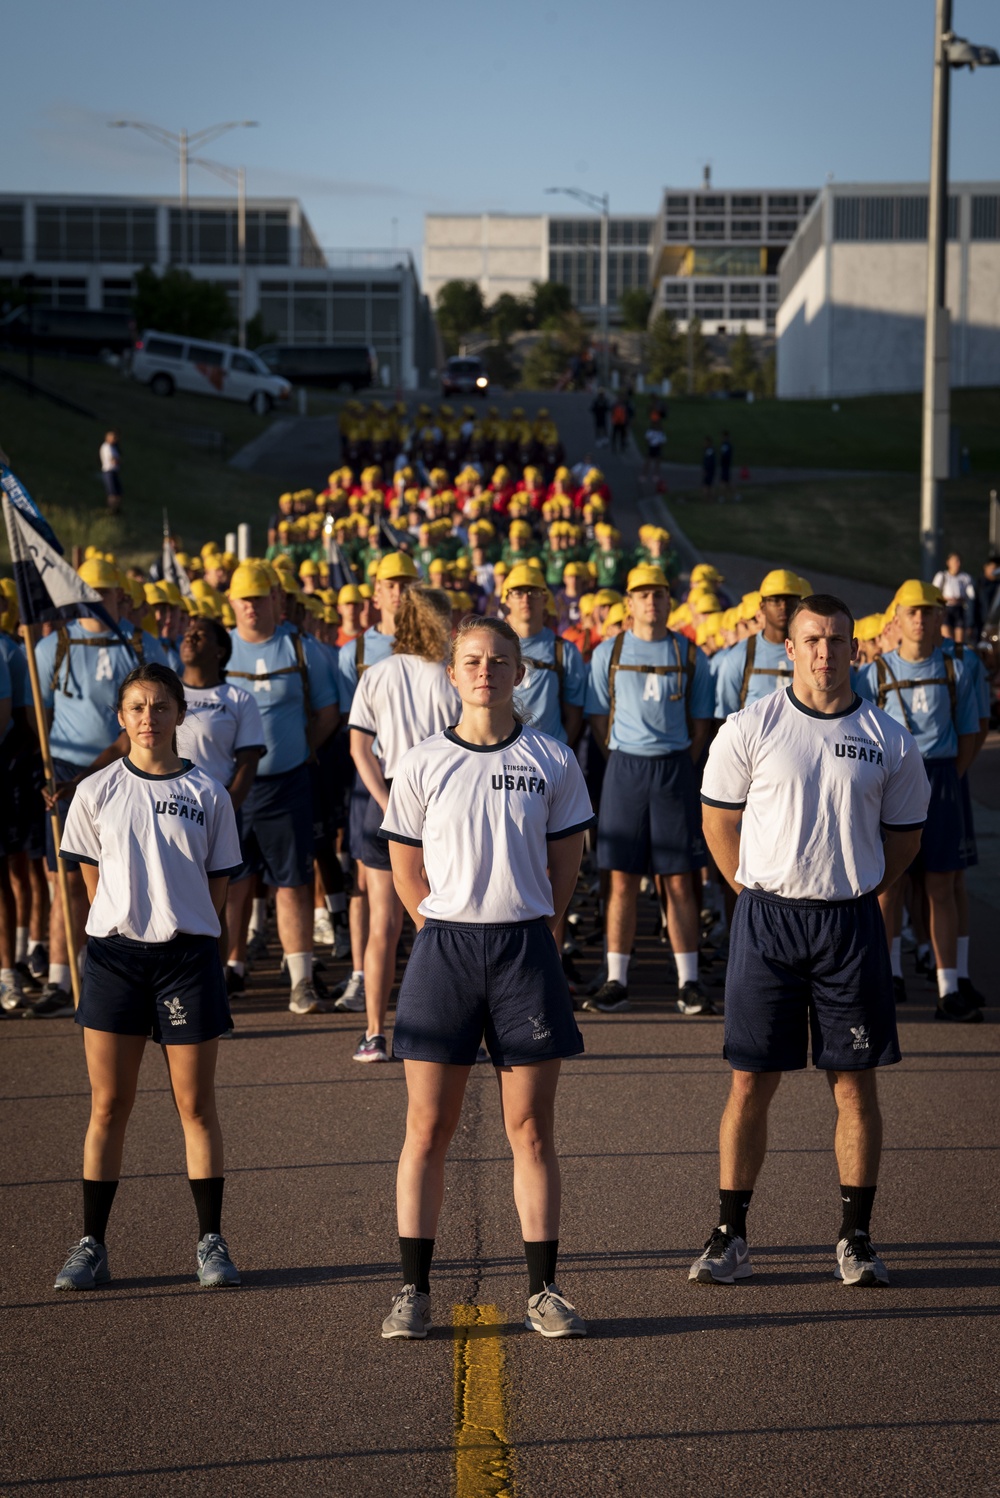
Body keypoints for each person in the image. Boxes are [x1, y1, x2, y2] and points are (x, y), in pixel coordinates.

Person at [694, 595, 929, 1288]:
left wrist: (860, 892)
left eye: (836, 640)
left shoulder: (889, 737)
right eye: (812, 641)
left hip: (849, 926)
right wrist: (754, 892)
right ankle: (729, 1234)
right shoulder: (751, 725)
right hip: (767, 920)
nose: (825, 653)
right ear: (787, 649)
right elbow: (717, 822)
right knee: (749, 1082)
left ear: (855, 648)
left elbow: (905, 837)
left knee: (853, 1087)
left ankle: (855, 1238)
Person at [378, 616, 593, 1340]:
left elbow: (566, 862)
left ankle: (543, 1291)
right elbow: (406, 869)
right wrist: (441, 928)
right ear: (452, 673)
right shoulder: (420, 761)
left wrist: (541, 926)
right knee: (427, 1127)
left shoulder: (551, 758)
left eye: (500, 661)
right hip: (444, 952)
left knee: (530, 1129)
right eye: (472, 660)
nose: (485, 672)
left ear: (519, 673)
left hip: (524, 951)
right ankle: (413, 1291)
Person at [53, 663, 244, 1292]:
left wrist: (179, 925)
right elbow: (91, 884)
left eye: (160, 706)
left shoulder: (209, 793)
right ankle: (92, 1244)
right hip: (114, 959)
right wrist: (125, 923)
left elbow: (215, 891)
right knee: (109, 1104)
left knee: (196, 1106)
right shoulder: (95, 791)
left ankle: (211, 1242)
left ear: (180, 714)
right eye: (135, 706)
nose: (147, 717)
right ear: (121, 716)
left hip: (186, 960)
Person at [856, 580, 981, 1021]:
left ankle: (949, 988)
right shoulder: (872, 673)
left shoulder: (956, 669)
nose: (921, 619)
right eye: (912, 611)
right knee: (888, 886)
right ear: (898, 618)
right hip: (890, 783)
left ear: (939, 618)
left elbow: (971, 734)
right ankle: (888, 976)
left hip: (943, 778)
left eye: (929, 611)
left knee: (940, 886)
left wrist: (945, 779)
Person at [348, 588, 460, 1062]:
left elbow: (359, 747)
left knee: (383, 924)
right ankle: (443, 1032)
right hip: (439, 799)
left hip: (387, 794)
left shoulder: (378, 673)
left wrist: (387, 801)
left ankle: (374, 1033)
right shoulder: (450, 678)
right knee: (440, 922)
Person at [224, 562, 340, 1016]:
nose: (252, 607)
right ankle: (229, 969)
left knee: (292, 883)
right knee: (231, 882)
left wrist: (299, 751)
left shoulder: (300, 647)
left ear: (276, 599)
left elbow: (328, 712)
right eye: (244, 599)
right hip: (231, 785)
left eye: (260, 597)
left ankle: (301, 981)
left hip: (287, 782)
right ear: (231, 602)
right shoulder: (219, 649)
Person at [715, 570, 805, 718]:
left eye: (790, 600)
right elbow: (726, 718)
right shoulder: (738, 656)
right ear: (762, 606)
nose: (783, 606)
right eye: (775, 600)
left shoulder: (811, 653)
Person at [932, 553, 976, 643]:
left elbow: (971, 595)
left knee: (959, 641)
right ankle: (948, 656)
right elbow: (934, 593)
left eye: (959, 561)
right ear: (948, 563)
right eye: (955, 561)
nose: (957, 564)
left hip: (959, 609)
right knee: (947, 638)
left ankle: (958, 656)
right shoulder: (942, 576)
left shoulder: (965, 577)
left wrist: (960, 599)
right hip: (946, 609)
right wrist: (946, 599)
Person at [99, 430, 122, 515]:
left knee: (117, 492)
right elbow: (113, 460)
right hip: (109, 471)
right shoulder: (107, 447)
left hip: (114, 471)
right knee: (112, 492)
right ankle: (112, 510)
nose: (115, 440)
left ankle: (116, 509)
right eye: (114, 438)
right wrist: (117, 461)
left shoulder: (113, 447)